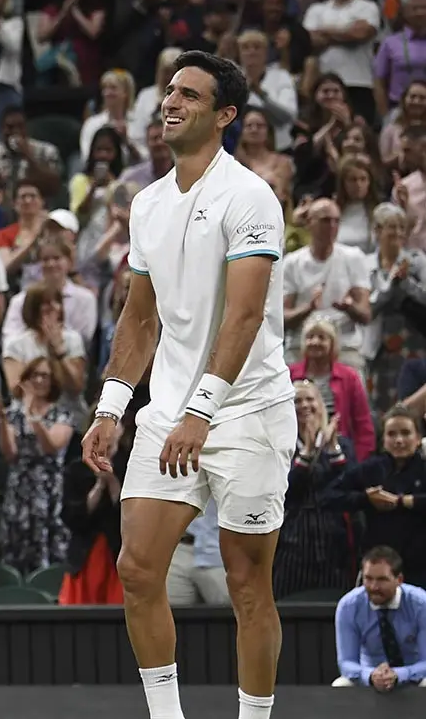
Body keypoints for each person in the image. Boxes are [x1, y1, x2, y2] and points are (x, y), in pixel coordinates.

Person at [82, 51, 295, 719]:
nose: (170, 103)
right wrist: (111, 407)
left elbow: (245, 314)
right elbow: (139, 317)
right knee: (138, 570)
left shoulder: (250, 196)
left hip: (248, 410)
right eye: (169, 91)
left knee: (246, 582)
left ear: (226, 115)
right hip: (169, 411)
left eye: (190, 96)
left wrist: (202, 412)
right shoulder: (145, 204)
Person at [333, 546, 426, 689]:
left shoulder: (421, 604)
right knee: (340, 685)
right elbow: (346, 662)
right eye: (368, 579)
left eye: (382, 579)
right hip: (370, 675)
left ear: (399, 579)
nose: (374, 586)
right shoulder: (348, 606)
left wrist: (398, 674)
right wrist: (370, 675)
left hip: (412, 674)